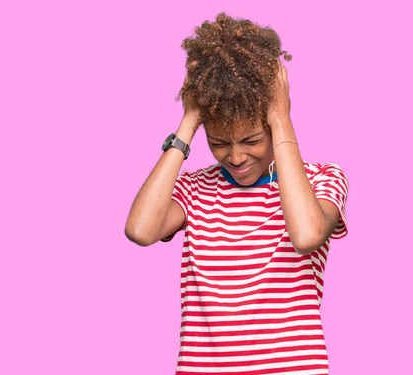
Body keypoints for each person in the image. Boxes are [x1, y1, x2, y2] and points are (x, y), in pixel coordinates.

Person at [124, 13, 349, 375]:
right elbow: (140, 229)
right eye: (219, 143)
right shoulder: (195, 189)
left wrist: (280, 117)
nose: (237, 156)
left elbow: (306, 235)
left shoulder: (323, 178)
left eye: (252, 140)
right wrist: (190, 118)